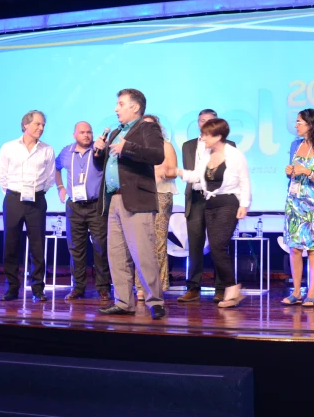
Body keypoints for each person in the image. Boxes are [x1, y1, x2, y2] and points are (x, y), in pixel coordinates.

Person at [97, 89, 166, 320]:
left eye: (120, 103)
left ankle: (155, 301)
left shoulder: (147, 127)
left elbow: (157, 155)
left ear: (135, 107)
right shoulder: (116, 132)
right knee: (116, 254)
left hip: (136, 199)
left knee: (143, 253)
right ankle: (123, 301)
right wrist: (99, 154)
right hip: (114, 199)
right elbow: (106, 166)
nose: (116, 108)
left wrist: (127, 147)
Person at [176, 118, 251, 309]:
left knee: (218, 246)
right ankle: (231, 289)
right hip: (211, 205)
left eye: (206, 135)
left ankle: (232, 289)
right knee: (217, 249)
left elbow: (244, 181)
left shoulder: (234, 155)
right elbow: (196, 177)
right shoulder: (208, 154)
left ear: (218, 136)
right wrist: (177, 171)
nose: (202, 138)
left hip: (229, 204)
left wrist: (244, 204)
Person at [0, 110, 56, 302]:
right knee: (11, 244)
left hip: (37, 200)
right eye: (38, 124)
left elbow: (50, 178)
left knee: (38, 245)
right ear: (25, 125)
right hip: (14, 199)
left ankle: (38, 288)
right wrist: (14, 193)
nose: (41, 128)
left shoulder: (47, 149)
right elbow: (1, 176)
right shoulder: (8, 147)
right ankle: (12, 288)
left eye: (43, 125)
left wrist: (37, 192)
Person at [54, 121, 112, 301]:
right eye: (82, 132)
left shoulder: (99, 150)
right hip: (74, 206)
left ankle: (103, 288)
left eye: (89, 132)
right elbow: (56, 168)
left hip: (96, 205)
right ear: (74, 135)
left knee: (100, 248)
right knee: (76, 249)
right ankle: (78, 287)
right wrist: (61, 187)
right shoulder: (66, 152)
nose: (86, 135)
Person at [281, 108, 314, 308]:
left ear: (311, 125)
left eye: (299, 122)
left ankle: (311, 292)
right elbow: (293, 174)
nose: (296, 125)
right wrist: (290, 172)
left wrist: (308, 172)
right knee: (294, 249)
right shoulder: (295, 144)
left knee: (312, 250)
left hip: (313, 205)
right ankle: (295, 291)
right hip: (294, 203)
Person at [134, 114, 177, 301]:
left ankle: (158, 285)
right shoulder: (134, 147)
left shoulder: (165, 145)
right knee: (139, 242)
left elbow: (173, 171)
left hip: (161, 195)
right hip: (139, 196)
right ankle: (139, 286)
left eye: (151, 126)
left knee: (157, 242)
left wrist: (156, 172)